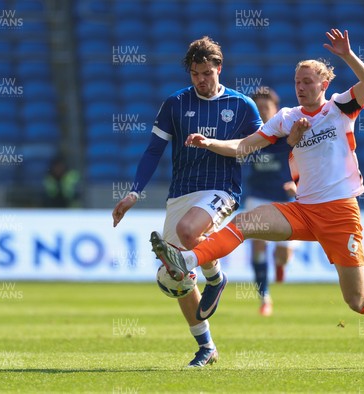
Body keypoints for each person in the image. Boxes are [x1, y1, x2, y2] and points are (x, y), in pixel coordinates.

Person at [151, 29, 364, 368]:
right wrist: (210, 144)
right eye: (298, 82)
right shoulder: (287, 118)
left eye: (309, 81)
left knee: (356, 300)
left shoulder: (340, 107)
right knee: (245, 222)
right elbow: (243, 147)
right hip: (303, 209)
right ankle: (190, 261)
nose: (302, 87)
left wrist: (347, 55)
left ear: (323, 84)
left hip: (341, 213)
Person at [111, 36, 264, 368]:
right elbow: (153, 150)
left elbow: (260, 145)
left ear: (219, 69)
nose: (201, 80)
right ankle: (206, 346)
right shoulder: (175, 104)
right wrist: (134, 192)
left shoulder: (241, 106)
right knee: (175, 274)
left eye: (207, 73)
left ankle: (215, 277)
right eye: (195, 74)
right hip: (182, 193)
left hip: (222, 190)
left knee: (187, 230)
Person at [245, 88, 297, 316]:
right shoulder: (251, 135)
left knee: (283, 255)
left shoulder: (288, 136)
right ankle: (264, 297)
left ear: (276, 110)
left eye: (266, 108)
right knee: (258, 246)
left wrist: (299, 184)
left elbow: (307, 160)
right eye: (258, 108)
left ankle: (280, 265)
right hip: (258, 196)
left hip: (286, 198)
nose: (263, 112)